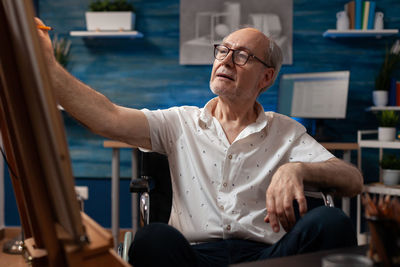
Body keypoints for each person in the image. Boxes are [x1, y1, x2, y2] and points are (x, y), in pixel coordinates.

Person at [36, 19, 363, 267]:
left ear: (266, 77)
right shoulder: (179, 122)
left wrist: (297, 170)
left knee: (332, 222)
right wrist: (49, 70)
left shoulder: (286, 131)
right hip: (193, 258)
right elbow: (107, 118)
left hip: (268, 258)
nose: (226, 60)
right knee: (151, 239)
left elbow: (353, 180)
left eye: (243, 55)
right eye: (223, 50)